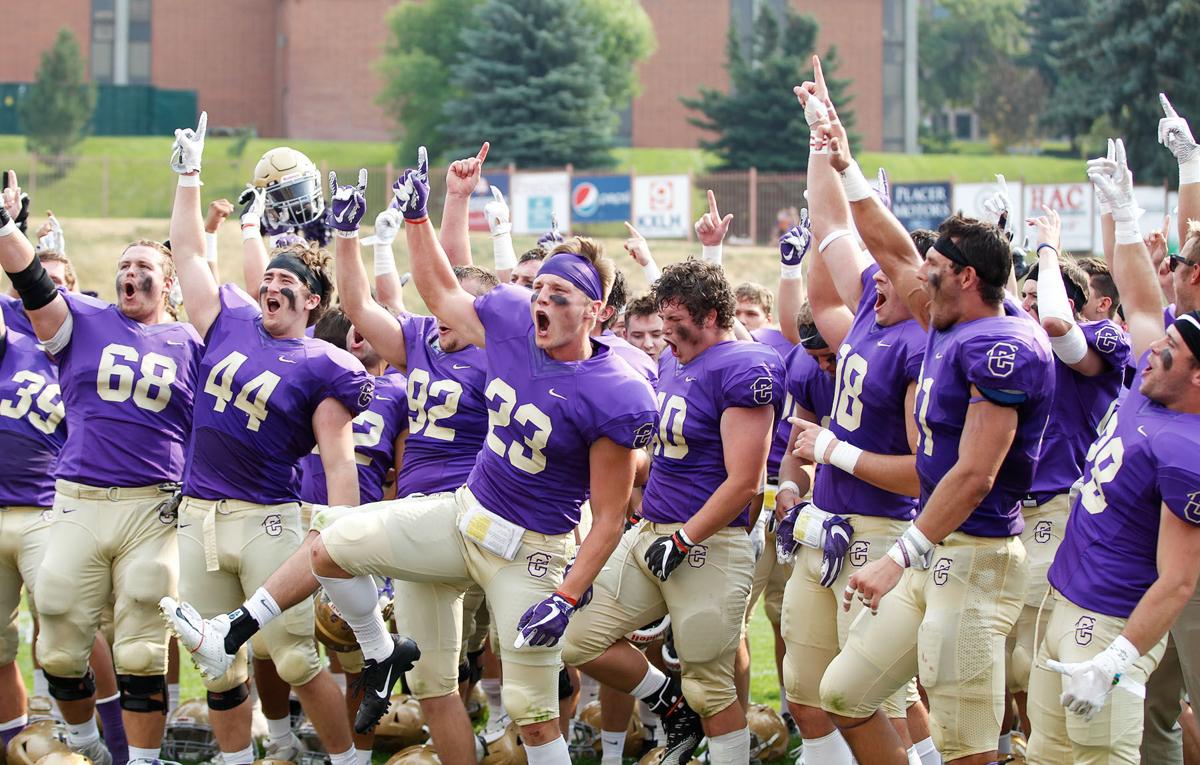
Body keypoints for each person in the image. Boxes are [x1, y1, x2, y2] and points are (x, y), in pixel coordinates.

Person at [308, 150, 657, 765]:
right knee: (335, 546)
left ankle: (655, 699)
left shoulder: (617, 388)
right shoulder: (511, 326)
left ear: (596, 311)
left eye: (561, 294)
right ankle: (289, 629)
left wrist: (568, 596)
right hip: (462, 513)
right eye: (539, 288)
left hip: (535, 548)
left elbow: (606, 515)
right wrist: (419, 216)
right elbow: (441, 289)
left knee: (532, 709)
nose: (541, 300)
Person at [800, 58, 1055, 765]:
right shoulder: (948, 317)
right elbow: (888, 244)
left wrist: (898, 558)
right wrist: (842, 159)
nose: (915, 278)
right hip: (937, 550)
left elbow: (974, 474)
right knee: (844, 690)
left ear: (968, 278)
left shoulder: (1003, 347)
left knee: (964, 741)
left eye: (934, 272)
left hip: (973, 556)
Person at [159, 128, 373, 765]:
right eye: (268, 276)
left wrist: (340, 540)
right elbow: (190, 257)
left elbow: (338, 462)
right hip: (199, 516)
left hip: (268, 519)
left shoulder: (323, 362)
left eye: (287, 280)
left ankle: (347, 759)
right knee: (215, 664)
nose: (271, 284)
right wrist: (189, 177)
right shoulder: (227, 319)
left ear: (312, 299)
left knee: (296, 657)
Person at [0, 120, 205, 765]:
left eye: (143, 267)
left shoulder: (192, 345)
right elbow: (34, 285)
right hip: (79, 497)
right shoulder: (85, 322)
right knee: (58, 638)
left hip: (153, 503)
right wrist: (8, 231)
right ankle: (86, 745)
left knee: (142, 643)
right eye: (122, 267)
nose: (129, 275)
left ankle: (141, 761)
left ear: (167, 284)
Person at [563, 257, 785, 765]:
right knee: (578, 637)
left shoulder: (743, 367)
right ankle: (669, 701)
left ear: (711, 317)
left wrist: (685, 539)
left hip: (708, 544)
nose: (667, 338)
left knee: (711, 685)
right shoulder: (672, 358)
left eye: (677, 327)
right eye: (664, 326)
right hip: (650, 533)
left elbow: (746, 479)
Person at [1021, 138, 1200, 763]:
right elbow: (1144, 299)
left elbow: (1178, 580)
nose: (1151, 348)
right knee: (1048, 752)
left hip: (1113, 614)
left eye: (1170, 351)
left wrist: (1119, 659)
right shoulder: (1157, 386)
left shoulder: (1189, 449)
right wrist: (1123, 212)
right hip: (1068, 592)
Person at [778, 89, 935, 764]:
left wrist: (834, 451)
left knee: (861, 695)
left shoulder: (923, 347)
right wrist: (823, 145)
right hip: (826, 523)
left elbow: (923, 472)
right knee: (805, 691)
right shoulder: (872, 311)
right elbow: (830, 243)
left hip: (877, 532)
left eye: (887, 270)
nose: (869, 278)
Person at [1011, 208, 1131, 735]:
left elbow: (1060, 326)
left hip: (1058, 507)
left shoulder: (1101, 340)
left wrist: (1048, 248)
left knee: (1035, 650)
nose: (1028, 310)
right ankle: (1020, 742)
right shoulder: (1019, 345)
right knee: (1009, 651)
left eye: (1038, 299)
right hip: (1014, 507)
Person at [0, 287, 66, 748]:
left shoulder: (79, 354)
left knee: (68, 629)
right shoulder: (10, 346)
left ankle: (97, 740)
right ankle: (11, 745)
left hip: (47, 510)